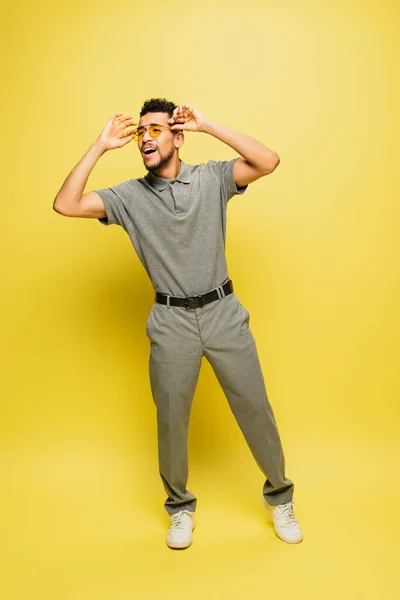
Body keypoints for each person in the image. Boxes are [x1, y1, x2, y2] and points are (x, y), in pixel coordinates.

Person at [53, 98, 303, 549]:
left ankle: (279, 496)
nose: (145, 138)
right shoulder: (127, 197)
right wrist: (99, 146)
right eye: (139, 133)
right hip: (170, 320)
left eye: (155, 130)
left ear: (177, 137)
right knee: (171, 420)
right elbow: (65, 205)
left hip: (223, 312)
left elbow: (268, 161)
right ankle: (180, 509)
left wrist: (207, 124)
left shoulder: (211, 178)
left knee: (255, 409)